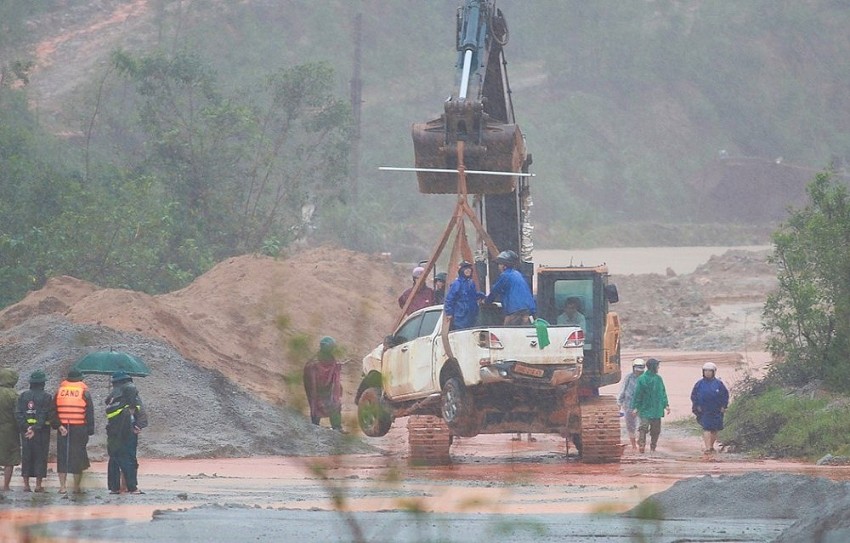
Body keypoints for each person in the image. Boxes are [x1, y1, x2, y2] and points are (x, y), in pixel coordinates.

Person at [106, 371, 147, 494]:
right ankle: (132, 487)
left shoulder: (113, 396)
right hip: (126, 431)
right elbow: (140, 411)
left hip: (112, 430)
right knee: (128, 459)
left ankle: (115, 487)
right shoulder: (129, 389)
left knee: (114, 459)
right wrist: (138, 425)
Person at [55, 369, 95, 494]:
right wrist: (90, 431)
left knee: (62, 457)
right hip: (79, 428)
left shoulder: (59, 391)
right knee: (78, 457)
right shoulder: (84, 391)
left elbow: (52, 411)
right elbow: (89, 413)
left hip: (63, 429)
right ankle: (76, 487)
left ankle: (62, 487)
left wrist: (58, 426)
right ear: (80, 379)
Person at [15, 370, 55, 492]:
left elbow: (18, 413)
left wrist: (26, 427)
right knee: (40, 457)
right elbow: (44, 414)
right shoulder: (47, 397)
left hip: (25, 433)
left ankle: (26, 485)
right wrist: (35, 428)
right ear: (43, 383)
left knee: (26, 456)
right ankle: (38, 485)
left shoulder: (22, 396)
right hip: (41, 432)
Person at [303, 336, 343, 432]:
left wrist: (337, 367)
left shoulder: (330, 358)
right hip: (315, 387)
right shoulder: (314, 361)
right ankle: (315, 424)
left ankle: (337, 426)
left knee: (335, 403)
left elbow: (331, 368)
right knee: (315, 404)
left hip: (327, 387)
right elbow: (309, 373)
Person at [630, 358, 670, 454]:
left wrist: (666, 405)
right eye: (657, 366)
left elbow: (663, 393)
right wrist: (636, 407)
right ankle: (642, 446)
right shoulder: (642, 379)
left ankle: (653, 447)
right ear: (653, 367)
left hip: (657, 409)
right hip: (645, 408)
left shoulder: (658, 379)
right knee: (643, 428)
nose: (658, 368)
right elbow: (638, 394)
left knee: (656, 430)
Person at [485, 250, 536, 325]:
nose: (498, 266)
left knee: (507, 332)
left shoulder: (505, 275)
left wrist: (486, 301)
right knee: (522, 331)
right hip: (527, 309)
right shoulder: (517, 274)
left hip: (515, 310)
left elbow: (495, 291)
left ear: (504, 265)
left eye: (500, 264)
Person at [691, 362, 729, 454]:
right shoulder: (699, 384)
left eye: (709, 371)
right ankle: (707, 448)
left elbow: (725, 396)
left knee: (714, 429)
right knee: (706, 428)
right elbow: (694, 396)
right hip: (704, 410)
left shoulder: (719, 384)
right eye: (706, 371)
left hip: (716, 409)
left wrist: (724, 406)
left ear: (714, 372)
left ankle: (711, 446)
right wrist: (697, 406)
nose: (707, 373)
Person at [443, 261, 484, 331]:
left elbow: (473, 295)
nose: (468, 270)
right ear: (461, 270)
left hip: (472, 315)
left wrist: (482, 295)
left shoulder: (471, 283)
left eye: (469, 268)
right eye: (465, 268)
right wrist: (449, 313)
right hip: (461, 316)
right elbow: (449, 299)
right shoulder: (457, 284)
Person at [618, 358, 645, 451]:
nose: (639, 372)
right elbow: (623, 390)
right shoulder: (629, 377)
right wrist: (619, 402)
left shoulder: (645, 378)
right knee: (630, 426)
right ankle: (634, 446)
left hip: (642, 405)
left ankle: (641, 443)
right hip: (629, 405)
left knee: (642, 425)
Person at [0, 368, 20, 491]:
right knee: (10, 458)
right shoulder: (14, 395)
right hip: (10, 430)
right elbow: (17, 414)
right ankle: (6, 485)